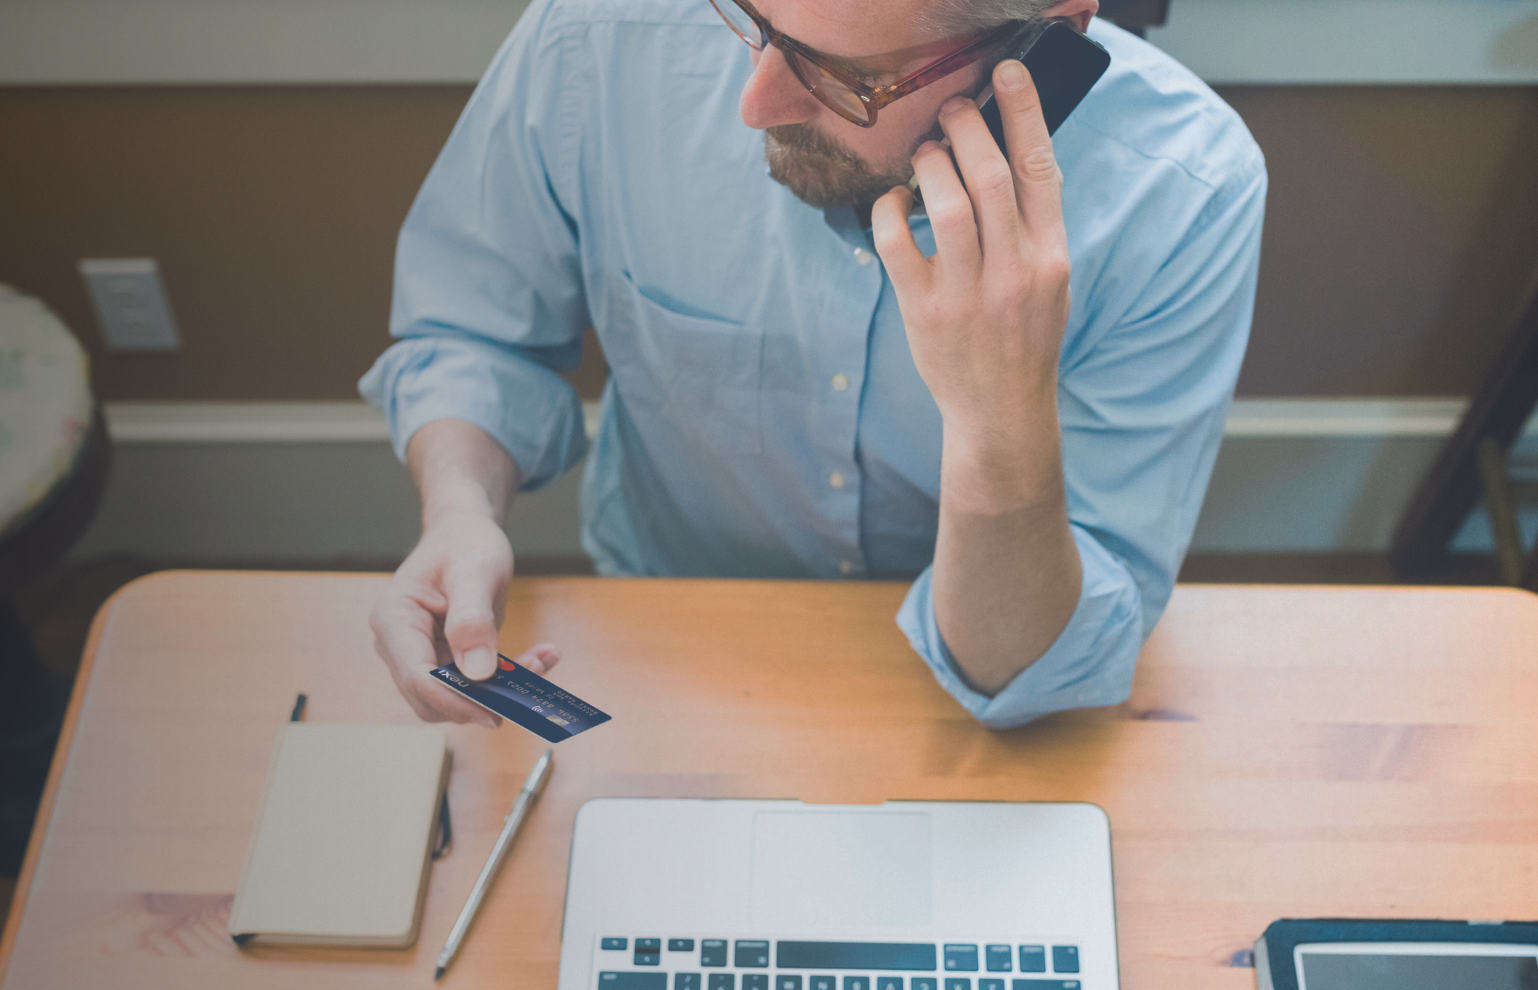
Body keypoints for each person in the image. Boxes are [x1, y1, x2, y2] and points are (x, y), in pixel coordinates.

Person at [360, 0, 1266, 729]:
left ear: (1042, 46)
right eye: (750, 21)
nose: (754, 103)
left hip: (955, 710)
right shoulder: (592, 36)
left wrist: (1000, 418)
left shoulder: (1186, 188)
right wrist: (459, 511)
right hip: (670, 646)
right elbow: (475, 335)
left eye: (843, 78)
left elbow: (1029, 668)